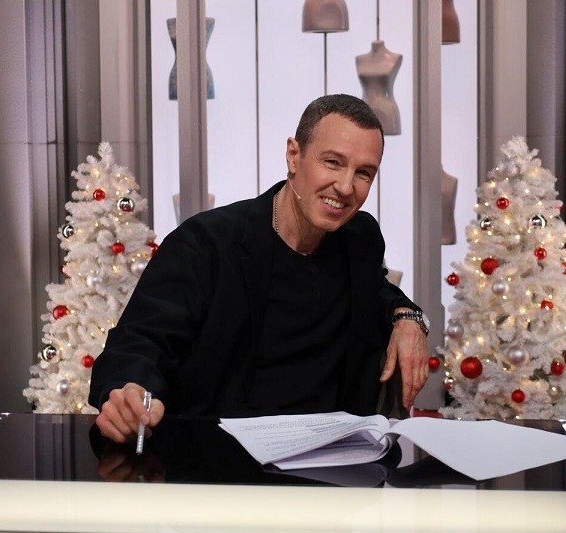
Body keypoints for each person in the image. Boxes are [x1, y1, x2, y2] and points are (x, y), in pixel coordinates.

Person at [89, 93, 430, 444]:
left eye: (363, 173)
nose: (345, 187)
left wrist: (407, 317)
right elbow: (141, 340)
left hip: (332, 459)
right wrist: (129, 390)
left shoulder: (360, 237)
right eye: (332, 162)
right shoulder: (206, 243)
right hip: (221, 459)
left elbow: (378, 290)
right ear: (293, 156)